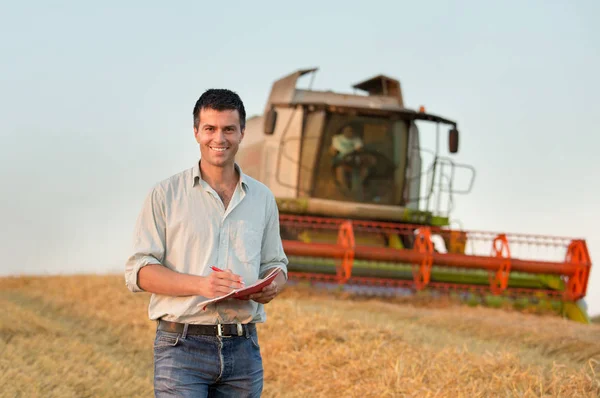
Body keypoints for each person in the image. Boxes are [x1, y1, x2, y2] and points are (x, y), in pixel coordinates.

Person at [124, 88, 288, 397]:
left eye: (228, 129)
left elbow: (276, 264)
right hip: (181, 347)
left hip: (244, 348)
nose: (219, 138)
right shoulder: (165, 195)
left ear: (242, 132)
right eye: (210, 128)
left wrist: (273, 285)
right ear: (196, 132)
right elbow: (139, 272)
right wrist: (202, 285)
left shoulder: (263, 199)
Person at [329, 125, 369, 193]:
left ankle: (359, 187)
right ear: (343, 131)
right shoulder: (337, 139)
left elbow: (359, 149)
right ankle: (343, 188)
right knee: (340, 169)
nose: (348, 132)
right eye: (347, 130)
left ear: (353, 132)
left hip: (354, 159)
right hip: (340, 159)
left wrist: (356, 152)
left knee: (364, 169)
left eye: (351, 131)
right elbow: (332, 150)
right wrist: (333, 151)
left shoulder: (356, 139)